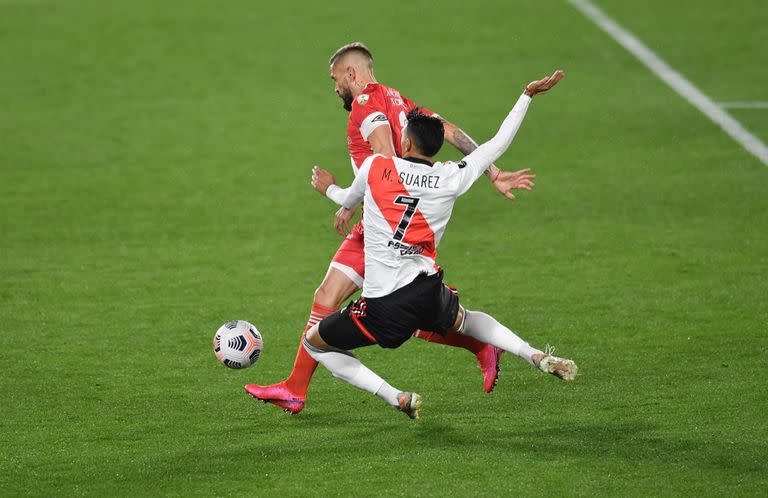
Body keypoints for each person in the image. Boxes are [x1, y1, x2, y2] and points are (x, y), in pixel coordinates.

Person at [246, 43, 532, 413]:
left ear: (351, 74)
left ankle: (297, 389)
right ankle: (296, 388)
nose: (334, 89)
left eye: (335, 79)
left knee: (379, 310)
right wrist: (491, 172)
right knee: (342, 299)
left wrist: (359, 198)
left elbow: (385, 158)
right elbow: (448, 130)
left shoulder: (366, 103)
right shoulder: (398, 99)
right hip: (380, 214)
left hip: (384, 224)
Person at [302, 71, 577, 419]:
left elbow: (345, 197)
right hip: (428, 290)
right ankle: (534, 354)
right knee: (465, 319)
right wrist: (526, 95)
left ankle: (396, 396)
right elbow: (498, 142)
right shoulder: (450, 176)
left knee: (315, 342)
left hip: (382, 307)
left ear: (405, 144)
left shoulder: (375, 167)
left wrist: (327, 187)